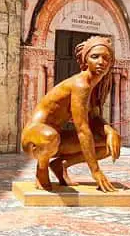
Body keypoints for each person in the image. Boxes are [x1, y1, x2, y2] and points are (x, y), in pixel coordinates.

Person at [20, 36, 122, 192]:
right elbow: (82, 129)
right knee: (50, 137)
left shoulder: (96, 87)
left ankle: (60, 164)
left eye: (106, 58)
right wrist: (95, 171)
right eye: (95, 57)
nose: (101, 62)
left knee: (110, 143)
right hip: (35, 138)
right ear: (85, 60)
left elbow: (94, 118)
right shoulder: (81, 84)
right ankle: (42, 169)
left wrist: (110, 131)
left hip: (57, 138)